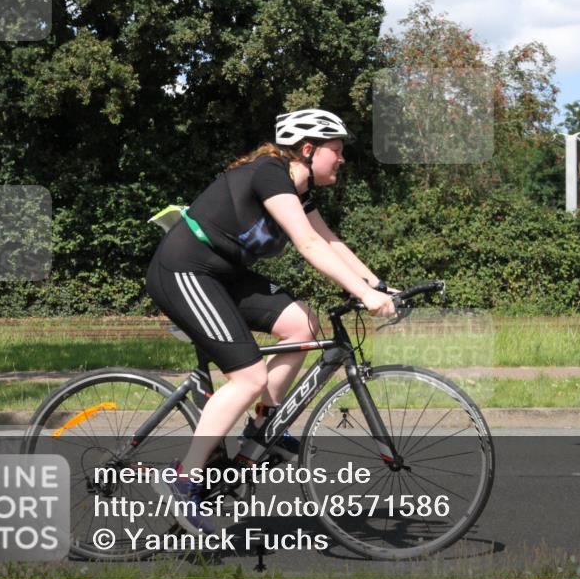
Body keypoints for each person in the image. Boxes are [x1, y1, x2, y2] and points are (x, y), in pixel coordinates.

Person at [146, 109, 396, 534]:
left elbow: (332, 241)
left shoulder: (299, 192)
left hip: (223, 276)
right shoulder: (270, 173)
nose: (341, 158)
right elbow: (309, 243)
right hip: (184, 270)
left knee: (302, 323)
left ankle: (260, 432)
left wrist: (379, 285)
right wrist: (364, 295)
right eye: (336, 150)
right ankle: (183, 480)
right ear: (307, 149)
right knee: (248, 377)